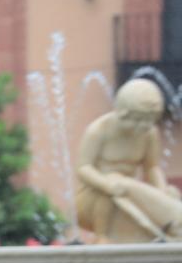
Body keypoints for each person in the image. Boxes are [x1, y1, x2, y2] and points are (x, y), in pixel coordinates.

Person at [75, 78, 182, 242]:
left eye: (149, 120)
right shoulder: (98, 131)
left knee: (168, 194)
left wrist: (161, 191)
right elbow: (83, 168)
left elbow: (151, 168)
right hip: (94, 197)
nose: (144, 126)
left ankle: (171, 225)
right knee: (113, 184)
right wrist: (106, 184)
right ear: (122, 113)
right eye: (138, 120)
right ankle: (101, 236)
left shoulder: (149, 133)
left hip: (127, 193)